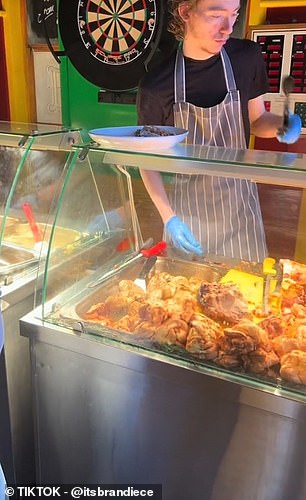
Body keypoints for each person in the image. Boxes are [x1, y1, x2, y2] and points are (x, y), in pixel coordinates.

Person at [137, 0, 302, 263]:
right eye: (216, 15)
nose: (227, 28)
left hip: (240, 214)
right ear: (185, 11)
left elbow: (258, 119)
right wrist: (169, 217)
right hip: (188, 219)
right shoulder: (156, 85)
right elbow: (146, 161)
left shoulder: (246, 58)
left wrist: (281, 127)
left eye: (234, 15)